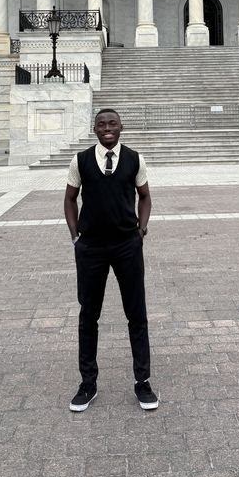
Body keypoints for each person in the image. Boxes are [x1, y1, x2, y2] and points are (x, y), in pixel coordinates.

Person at [64, 108, 158, 412]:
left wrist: (141, 230)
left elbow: (145, 196)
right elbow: (69, 199)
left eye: (112, 123)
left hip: (126, 245)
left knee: (137, 314)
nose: (107, 128)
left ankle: (142, 382)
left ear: (121, 127)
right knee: (88, 316)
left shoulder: (134, 159)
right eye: (102, 124)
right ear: (94, 129)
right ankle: (87, 383)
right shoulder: (80, 160)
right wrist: (76, 237)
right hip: (91, 247)